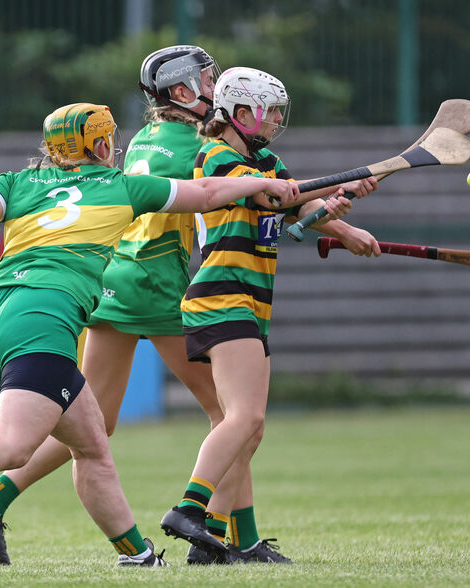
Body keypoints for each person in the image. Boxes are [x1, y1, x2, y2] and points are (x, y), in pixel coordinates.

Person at [0, 101, 301, 566]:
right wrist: (264, 182)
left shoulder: (16, 181)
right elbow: (205, 193)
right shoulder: (122, 187)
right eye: (109, 139)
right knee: (14, 446)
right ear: (99, 145)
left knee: (92, 441)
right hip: (45, 316)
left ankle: (138, 556)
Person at [159, 67, 381, 559]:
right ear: (239, 113)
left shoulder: (265, 159)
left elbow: (297, 209)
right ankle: (189, 511)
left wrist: (341, 211)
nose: (277, 118)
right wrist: (329, 189)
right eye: (269, 110)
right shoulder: (216, 157)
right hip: (222, 296)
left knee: (250, 427)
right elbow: (272, 193)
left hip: (252, 302)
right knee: (242, 417)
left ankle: (210, 541)